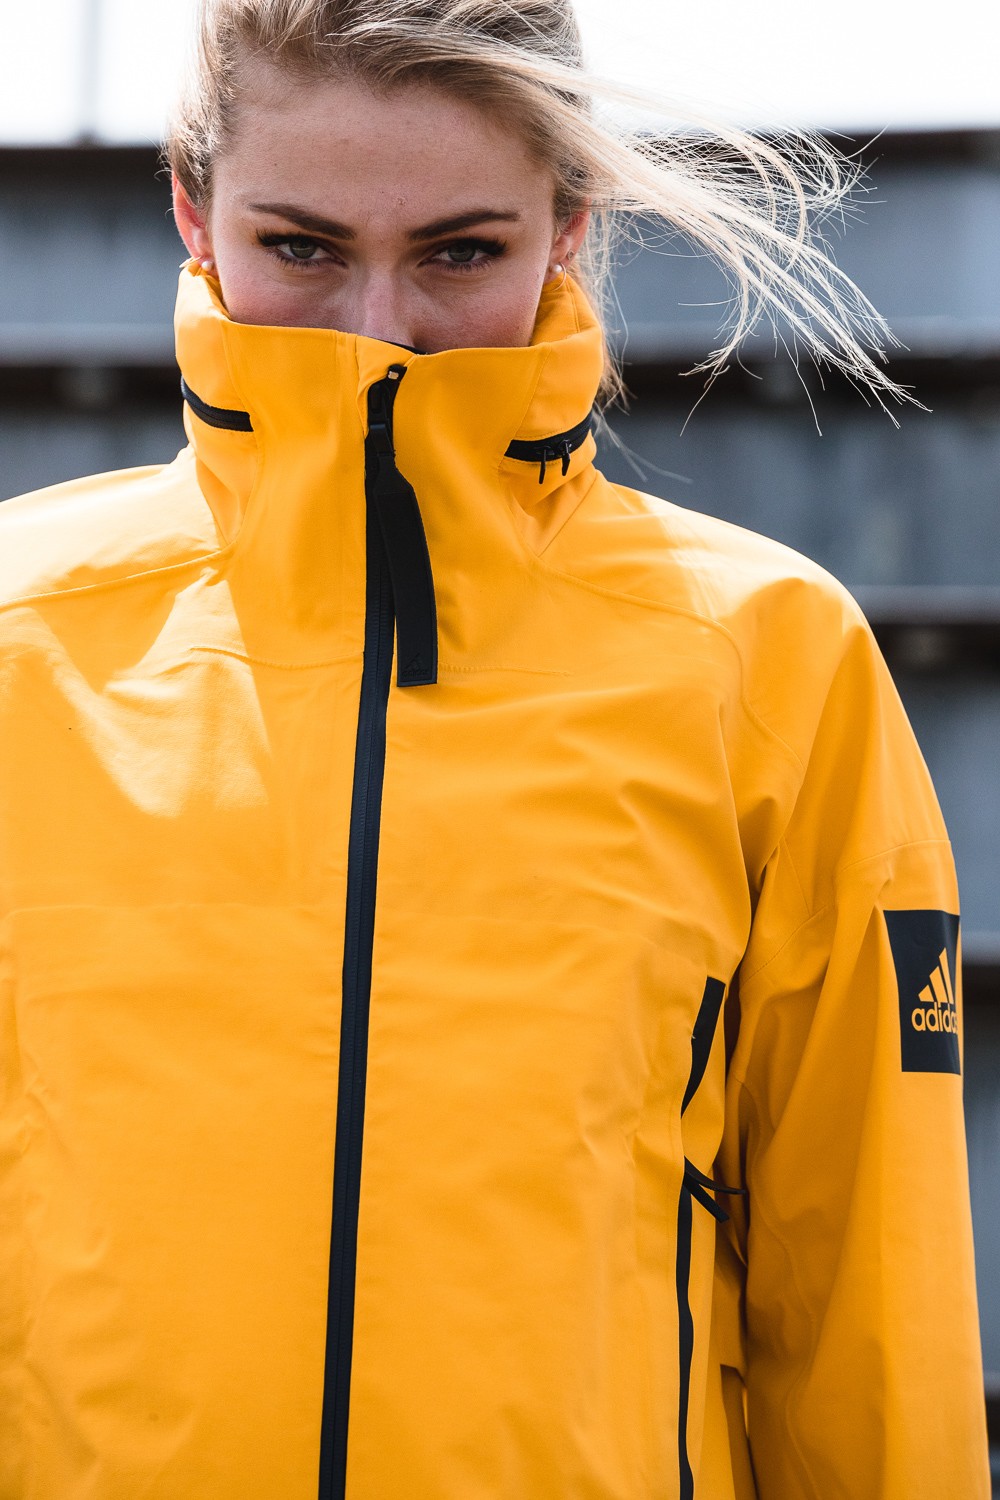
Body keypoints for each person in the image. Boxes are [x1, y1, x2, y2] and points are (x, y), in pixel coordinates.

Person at [0, 1, 989, 1496]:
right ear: (194, 211)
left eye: (460, 252)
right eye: (302, 248)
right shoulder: (24, 636)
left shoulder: (767, 662)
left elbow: (867, 1304)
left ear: (568, 227)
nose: (379, 332)